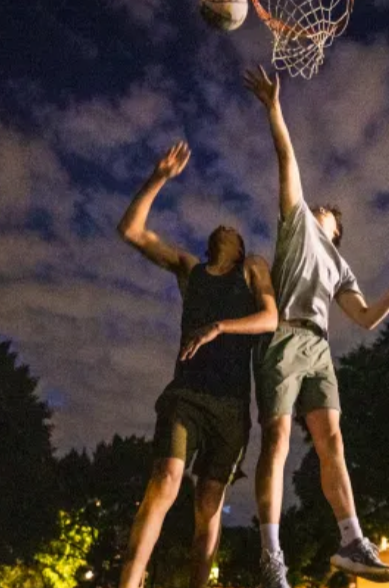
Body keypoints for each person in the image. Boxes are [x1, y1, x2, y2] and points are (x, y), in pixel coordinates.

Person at [243, 67, 389, 588]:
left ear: (336, 231)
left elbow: (365, 319)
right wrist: (275, 109)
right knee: (276, 441)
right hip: (284, 336)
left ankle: (351, 539)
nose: (318, 205)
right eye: (317, 205)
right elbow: (287, 160)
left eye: (328, 211)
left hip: (319, 349)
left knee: (333, 444)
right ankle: (270, 554)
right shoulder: (296, 221)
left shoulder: (340, 266)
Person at [116, 140, 279, 588]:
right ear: (209, 247)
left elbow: (270, 317)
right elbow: (131, 231)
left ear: (241, 249)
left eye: (233, 230)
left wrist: (219, 327)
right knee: (166, 479)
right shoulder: (190, 269)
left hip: (230, 408)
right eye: (219, 229)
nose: (225, 227)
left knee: (208, 505)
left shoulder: (253, 271)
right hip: (186, 395)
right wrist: (158, 178)